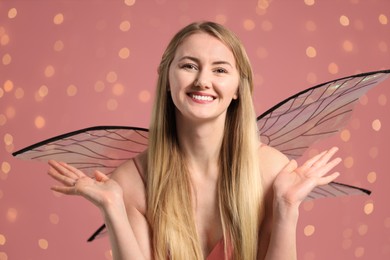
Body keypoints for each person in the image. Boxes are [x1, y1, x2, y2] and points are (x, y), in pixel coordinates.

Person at [47, 21, 341, 260]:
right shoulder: (132, 181)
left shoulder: (271, 172)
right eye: (189, 66)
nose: (203, 80)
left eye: (220, 70)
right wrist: (112, 207)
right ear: (166, 79)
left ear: (238, 87)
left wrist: (287, 207)